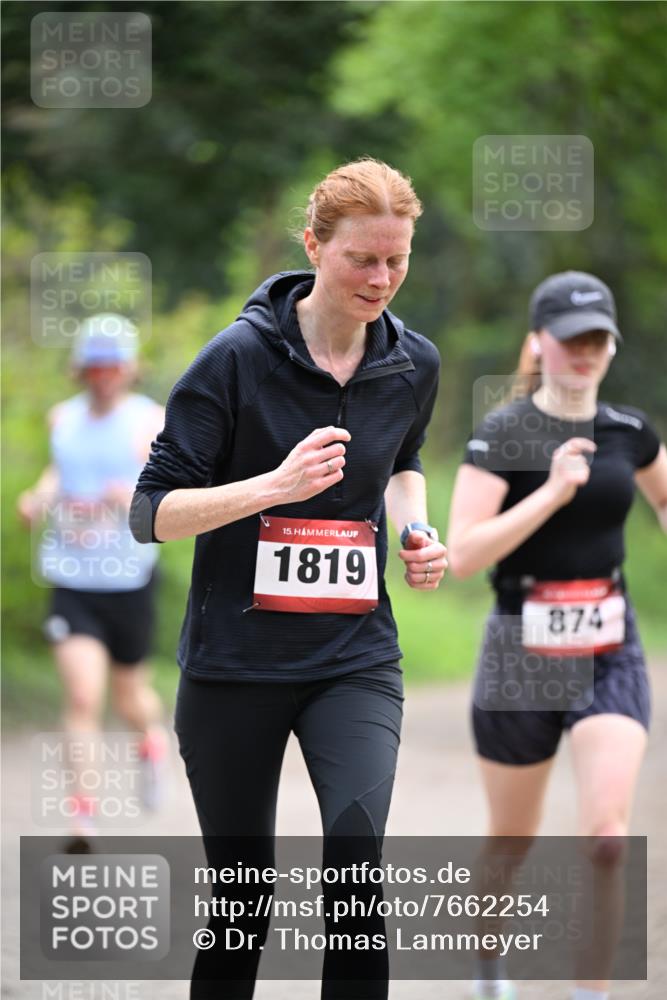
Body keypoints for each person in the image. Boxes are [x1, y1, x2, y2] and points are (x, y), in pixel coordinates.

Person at [131, 157, 447, 998]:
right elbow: (151, 512)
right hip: (234, 667)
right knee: (243, 902)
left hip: (353, 658)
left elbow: (404, 459)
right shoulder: (235, 360)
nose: (381, 279)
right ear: (313, 245)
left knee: (354, 874)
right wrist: (274, 488)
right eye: (360, 259)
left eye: (397, 259)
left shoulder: (412, 362)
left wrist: (415, 527)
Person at [447, 271, 667, 1000]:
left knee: (606, 839)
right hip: (521, 651)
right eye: (570, 338)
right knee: (511, 841)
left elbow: (663, 500)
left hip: (608, 641)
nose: (585, 351)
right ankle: (486, 969)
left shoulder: (629, 431)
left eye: (597, 338)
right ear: (538, 343)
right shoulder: (503, 434)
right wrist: (549, 492)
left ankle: (588, 993)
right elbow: (462, 556)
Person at [17, 314, 168, 844]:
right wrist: (39, 496)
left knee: (131, 696)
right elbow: (60, 470)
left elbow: (170, 489)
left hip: (127, 576)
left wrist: (128, 498)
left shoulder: (149, 421)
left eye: (113, 366)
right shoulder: (63, 418)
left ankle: (150, 741)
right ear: (81, 369)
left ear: (129, 369)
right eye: (94, 366)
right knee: (83, 697)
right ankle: (83, 814)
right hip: (72, 576)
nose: (103, 375)